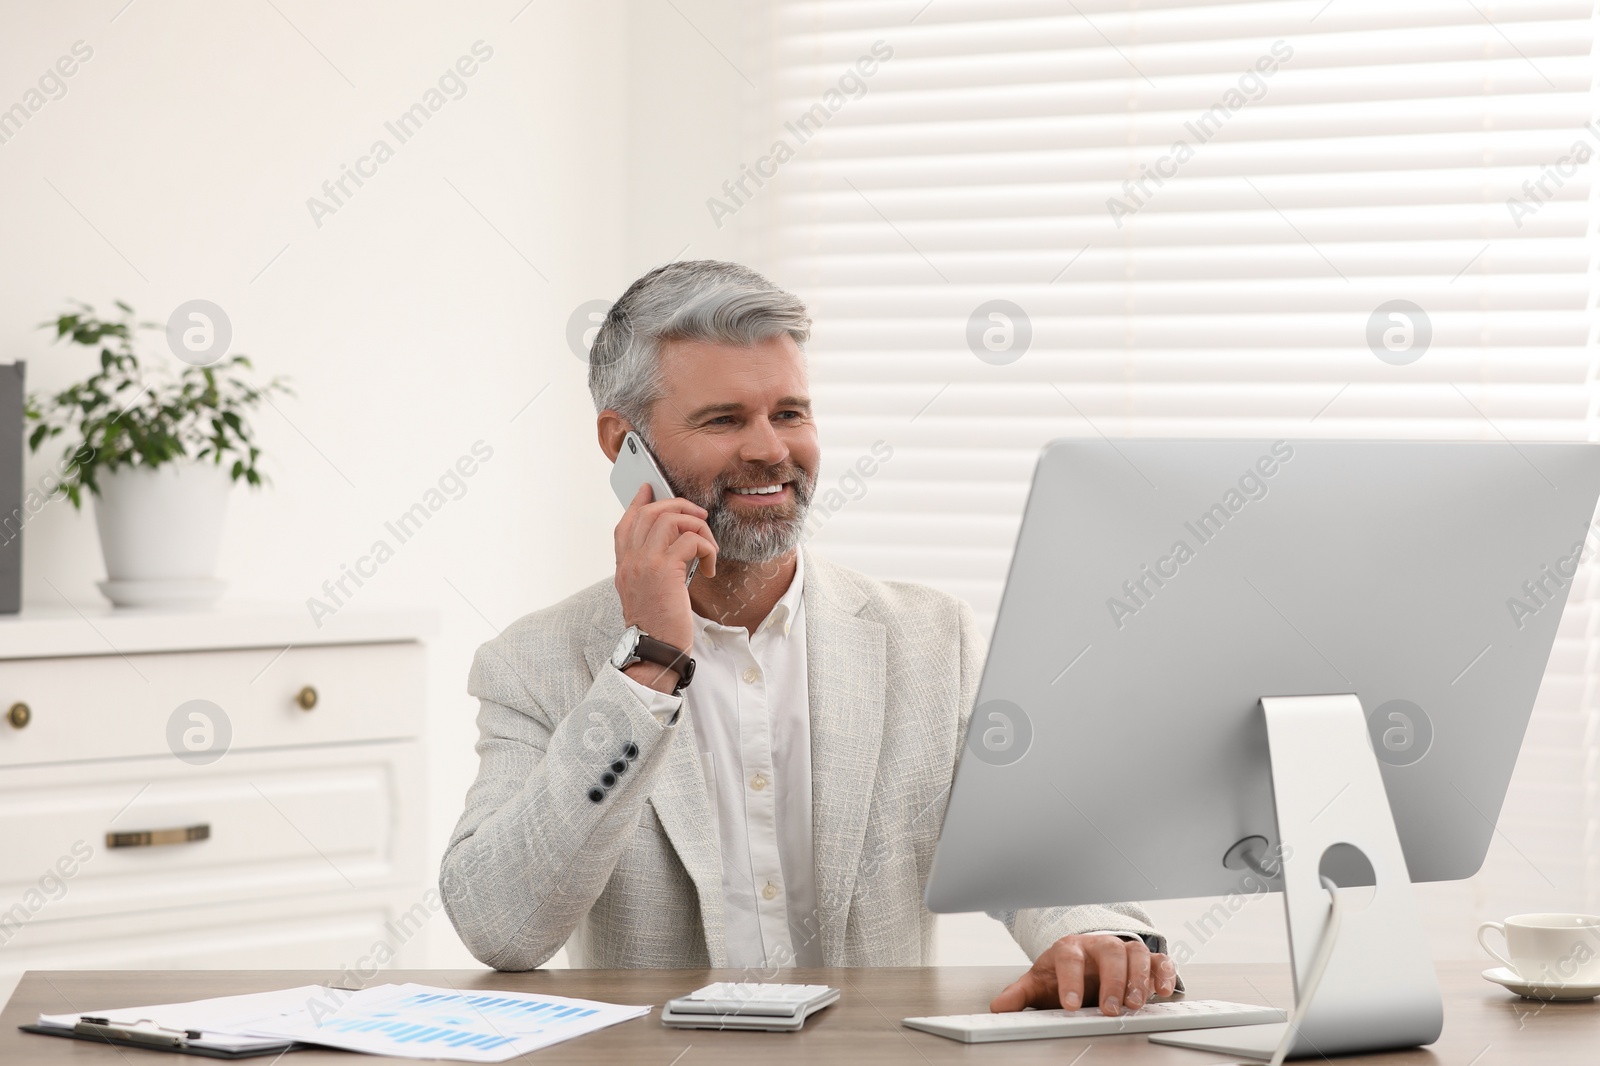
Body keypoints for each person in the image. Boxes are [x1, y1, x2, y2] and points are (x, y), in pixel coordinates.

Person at [440, 260, 1178, 1016]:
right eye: (724, 419)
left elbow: (1039, 845)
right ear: (624, 444)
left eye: (790, 413)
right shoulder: (532, 664)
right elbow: (502, 929)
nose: (770, 450)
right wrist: (647, 668)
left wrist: (1094, 936)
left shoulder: (929, 640)